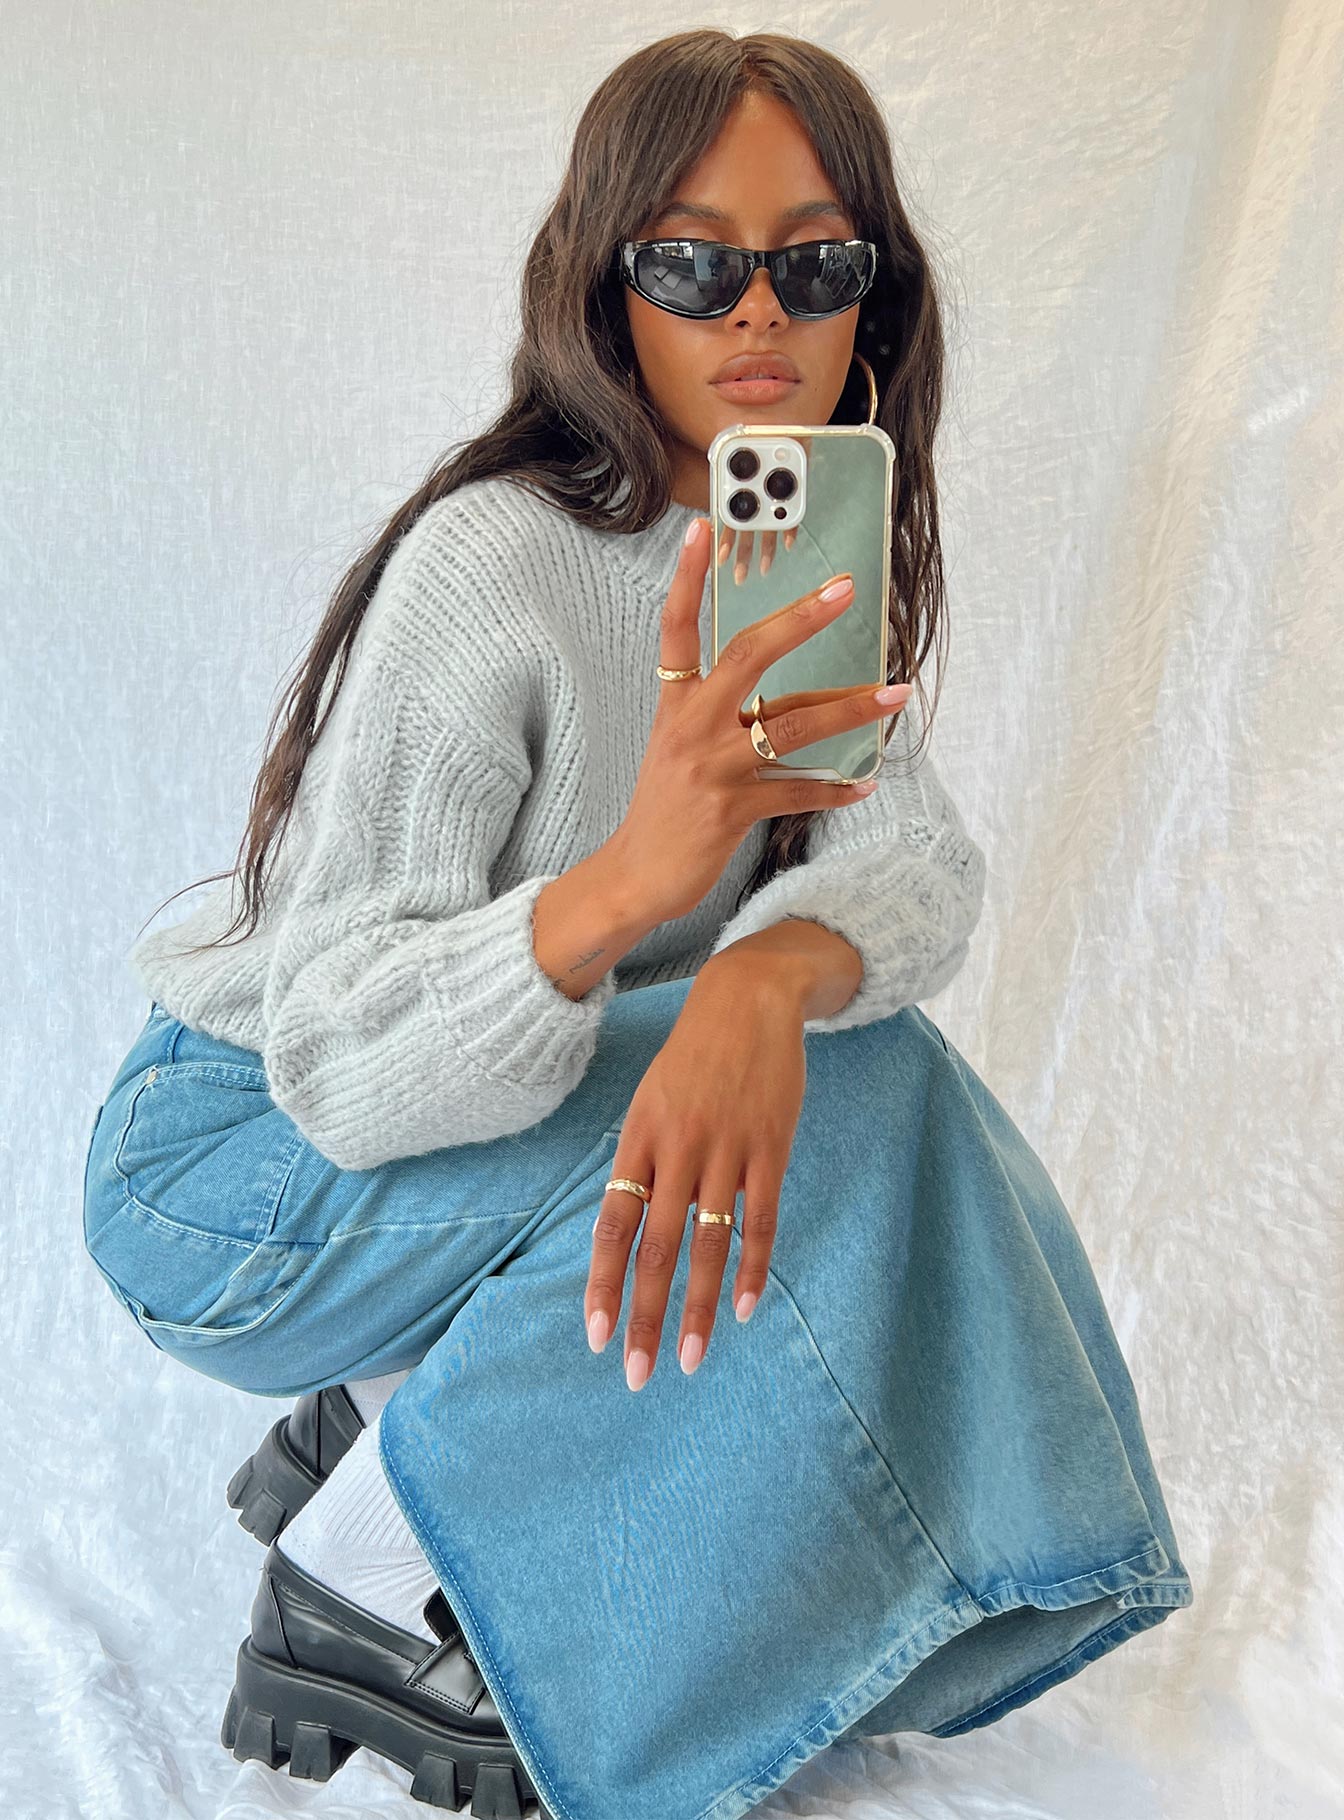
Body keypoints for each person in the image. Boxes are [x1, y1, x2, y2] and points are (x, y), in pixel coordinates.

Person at [81, 30, 1194, 1820]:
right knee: (867, 1100)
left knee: (838, 1059)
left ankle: (413, 1406)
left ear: (874, 304)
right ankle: (370, 1566)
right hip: (234, 1166)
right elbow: (341, 1056)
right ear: (606, 291)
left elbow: (917, 876)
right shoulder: (496, 559)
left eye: (814, 264)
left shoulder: (798, 570)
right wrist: (644, 879)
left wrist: (762, 974)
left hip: (468, 1150)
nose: (757, 312)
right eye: (692, 262)